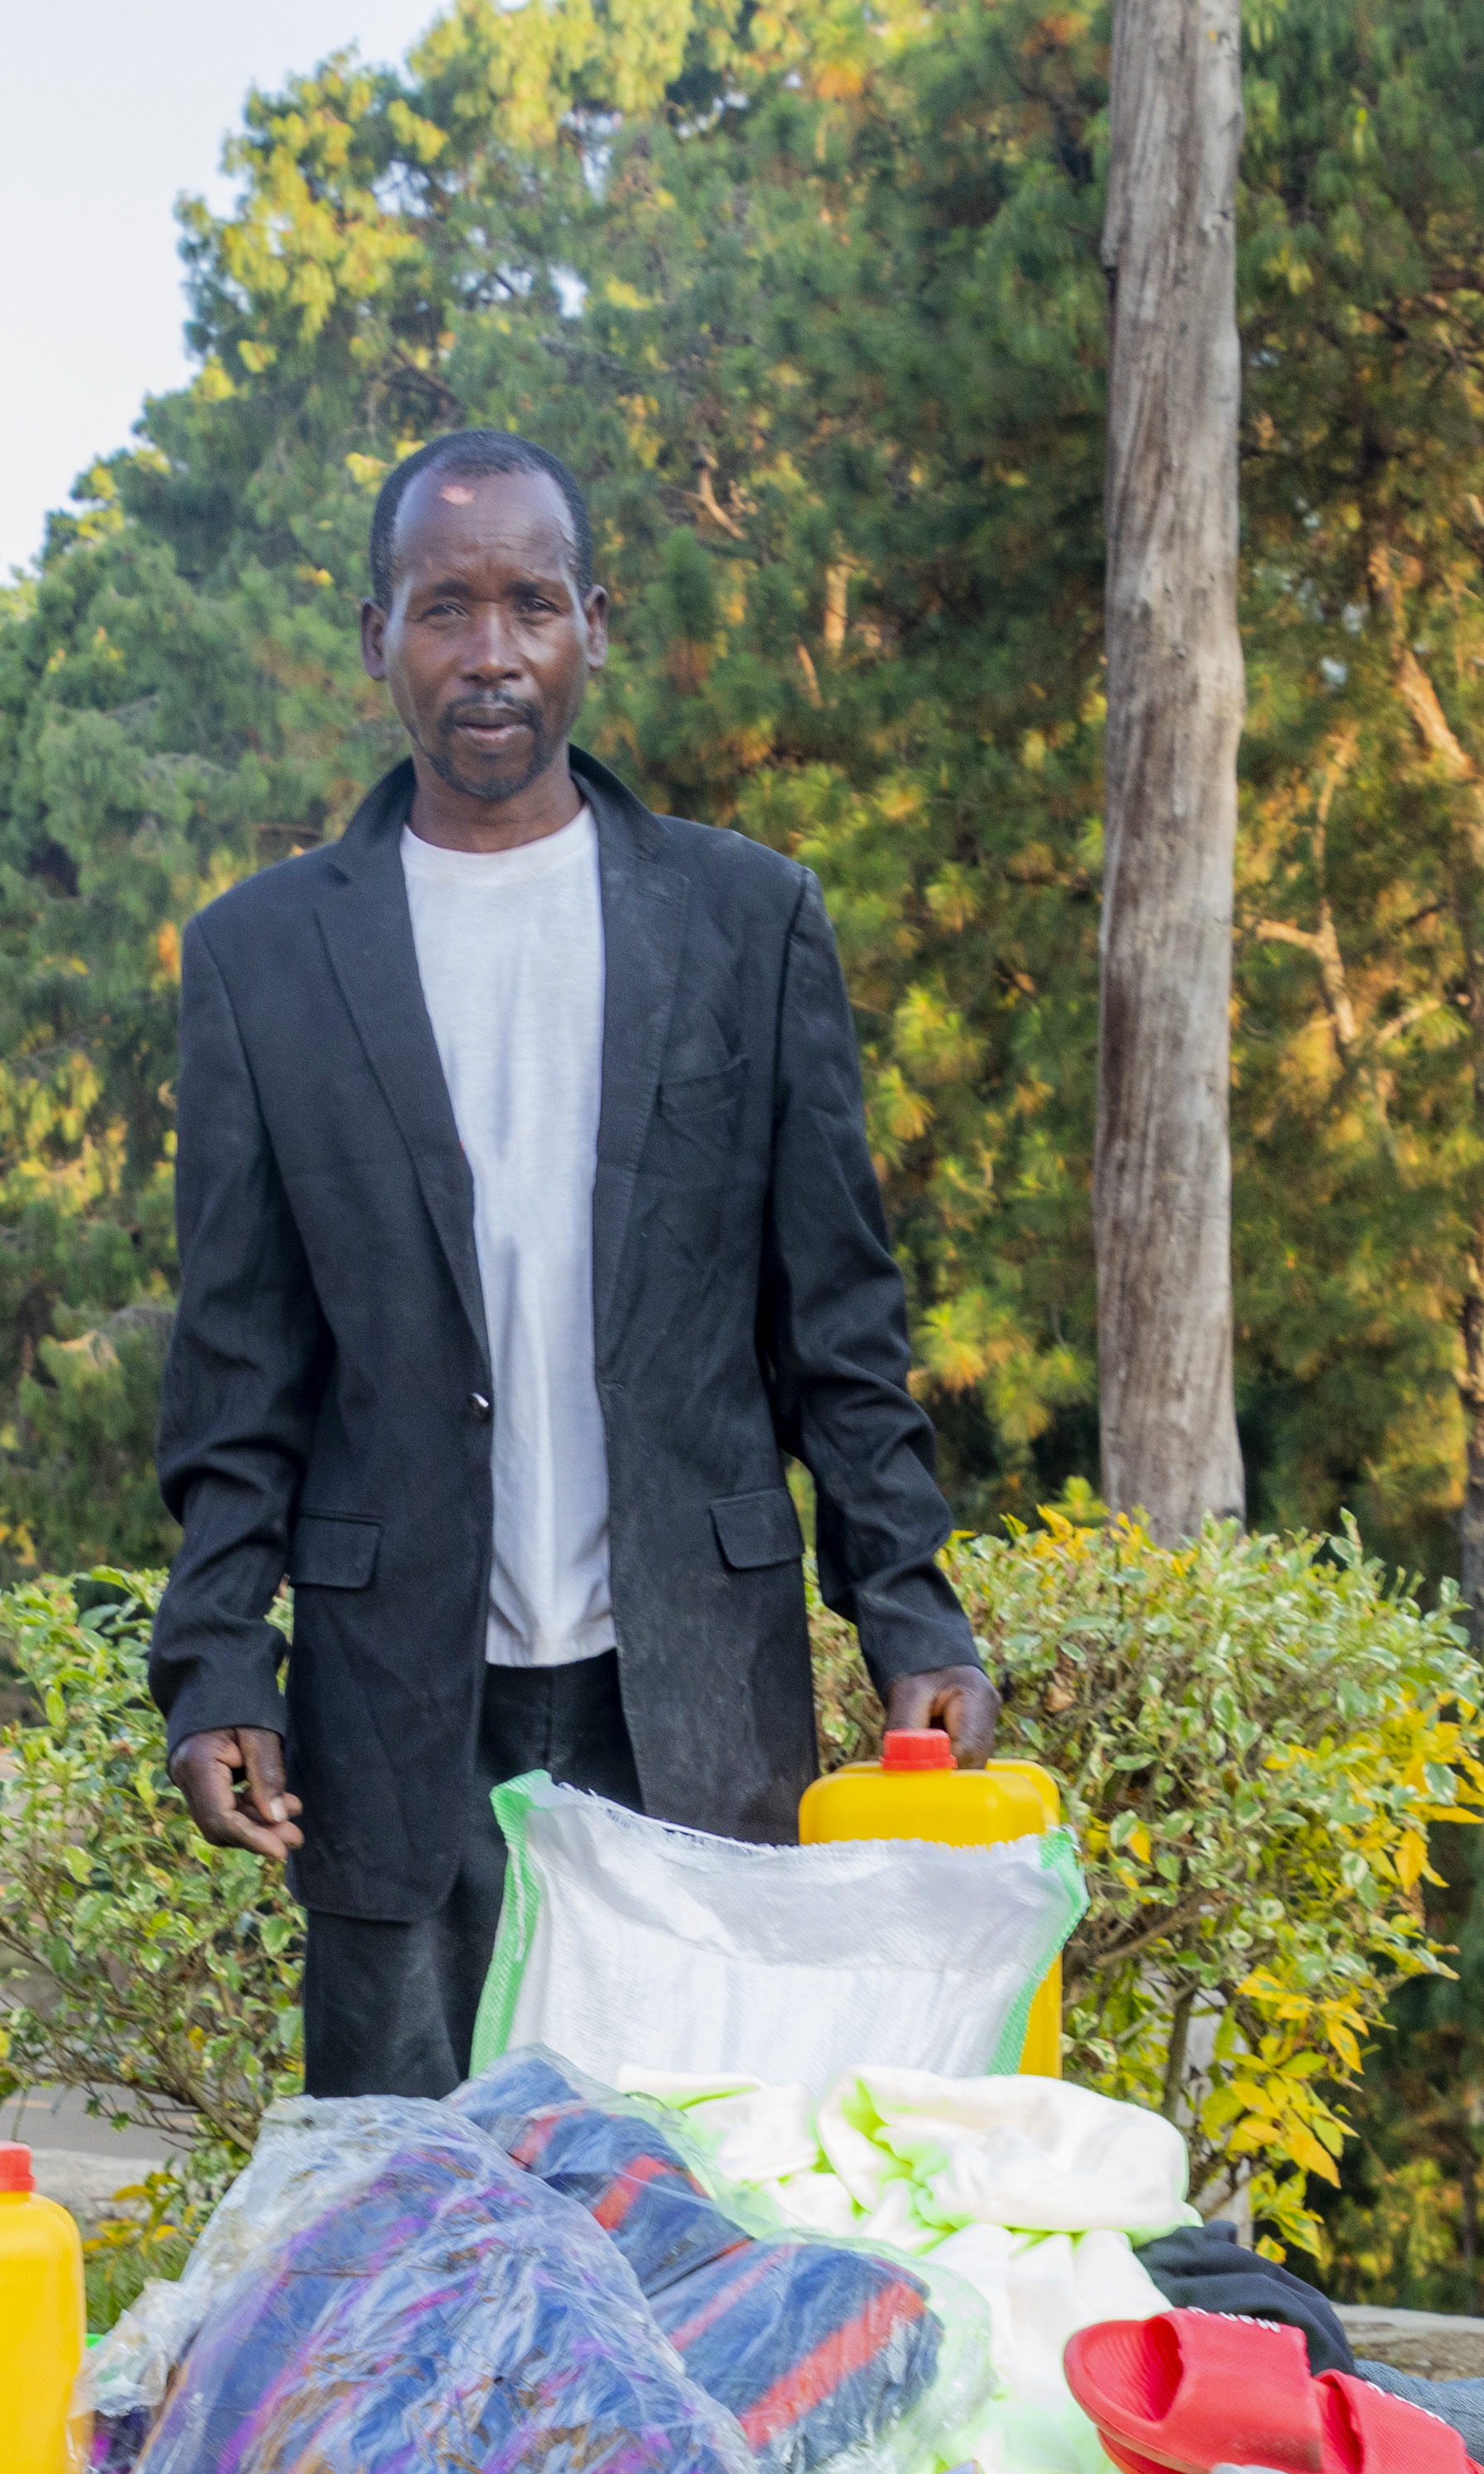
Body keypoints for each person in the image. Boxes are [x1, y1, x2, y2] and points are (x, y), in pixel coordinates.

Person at [149, 426, 989, 2099]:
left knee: (695, 2178)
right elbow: (239, 1363)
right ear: (376, 633)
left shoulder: (744, 922)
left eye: (530, 605)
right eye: (444, 608)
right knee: (402, 2194)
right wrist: (218, 1663)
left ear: (593, 623)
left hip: (690, 1687)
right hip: (397, 1707)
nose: (490, 654)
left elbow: (837, 1317)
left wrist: (910, 1604)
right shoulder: (264, 956)